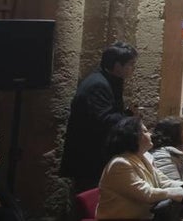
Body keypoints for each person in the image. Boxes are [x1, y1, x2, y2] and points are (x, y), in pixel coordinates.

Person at [58, 42, 137, 192]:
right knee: (89, 196)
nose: (133, 69)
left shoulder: (108, 80)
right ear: (117, 65)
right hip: (89, 158)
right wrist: (128, 118)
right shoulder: (98, 85)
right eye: (130, 64)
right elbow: (103, 120)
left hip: (95, 156)